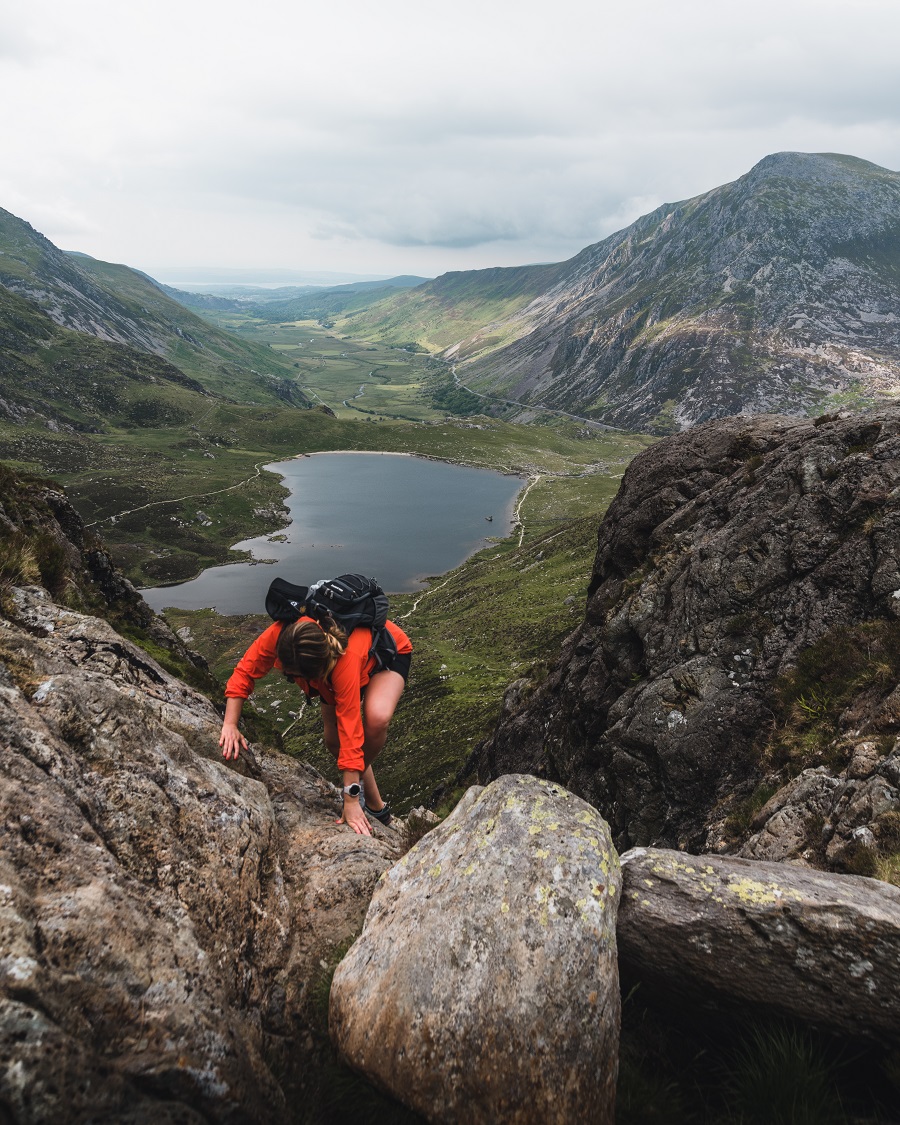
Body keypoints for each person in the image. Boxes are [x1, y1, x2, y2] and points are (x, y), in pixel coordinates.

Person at [219, 613, 412, 836]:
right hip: (332, 672)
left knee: (376, 718)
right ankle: (376, 806)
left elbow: (351, 731)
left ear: (318, 673)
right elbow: (245, 671)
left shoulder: (344, 661)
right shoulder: (283, 636)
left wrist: (349, 801)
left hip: (387, 655)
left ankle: (361, 795)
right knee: (333, 742)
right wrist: (230, 724)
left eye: (293, 677)